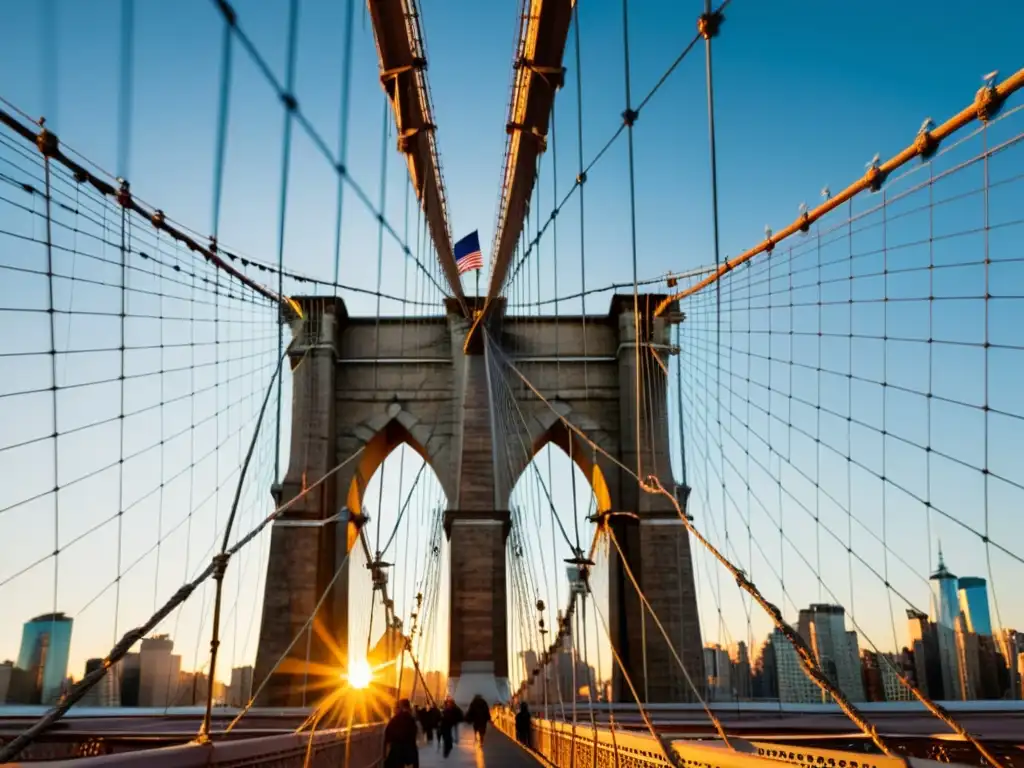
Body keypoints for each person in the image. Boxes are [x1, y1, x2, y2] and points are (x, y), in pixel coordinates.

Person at [385, 699, 420, 768]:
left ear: (400, 707)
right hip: (410, 752)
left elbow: (388, 734)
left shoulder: (396, 719)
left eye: (395, 708)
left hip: (398, 753)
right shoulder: (411, 719)